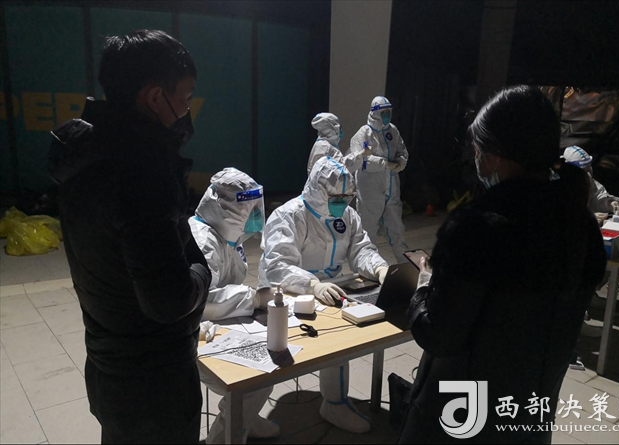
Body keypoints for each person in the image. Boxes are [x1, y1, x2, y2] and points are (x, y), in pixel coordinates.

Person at [399, 86, 606, 444]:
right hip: (528, 416)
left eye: (477, 150)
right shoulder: (580, 224)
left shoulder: (479, 228)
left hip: (461, 418)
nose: (475, 159)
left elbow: (439, 335)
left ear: (495, 157)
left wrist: (424, 286)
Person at [48, 30, 210, 444]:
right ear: (155, 97)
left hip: (108, 365)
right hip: (155, 382)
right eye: (185, 98)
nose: (186, 111)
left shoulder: (83, 155)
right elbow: (169, 300)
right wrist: (201, 270)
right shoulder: (142, 173)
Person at [258, 156, 390, 433]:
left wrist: (379, 269)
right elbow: (278, 265)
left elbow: (360, 249)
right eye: (335, 197)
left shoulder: (347, 216)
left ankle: (335, 402)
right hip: (290, 292)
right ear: (318, 191)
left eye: (347, 196)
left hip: (330, 289)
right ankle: (246, 414)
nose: (342, 202)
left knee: (340, 342)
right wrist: (312, 285)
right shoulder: (289, 215)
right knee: (272, 355)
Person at [189, 169, 278, 444]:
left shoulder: (226, 237)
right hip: (196, 336)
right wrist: (253, 299)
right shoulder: (202, 241)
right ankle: (225, 434)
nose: (255, 217)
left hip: (225, 324)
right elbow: (202, 301)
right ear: (228, 209)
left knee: (270, 366)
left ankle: (244, 418)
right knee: (252, 383)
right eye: (249, 210)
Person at [350, 96, 409, 262]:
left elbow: (402, 151)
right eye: (384, 112)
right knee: (367, 232)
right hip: (370, 192)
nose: (387, 115)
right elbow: (361, 161)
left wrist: (400, 164)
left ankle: (405, 264)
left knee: (397, 229)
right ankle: (367, 267)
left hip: (392, 189)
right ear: (375, 113)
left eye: (389, 111)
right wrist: (385, 164)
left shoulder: (393, 131)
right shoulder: (364, 133)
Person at [562, 145, 619, 214]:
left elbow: (597, 198)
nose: (588, 174)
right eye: (584, 170)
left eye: (588, 168)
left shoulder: (588, 181)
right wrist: (590, 216)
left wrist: (609, 203)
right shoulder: (559, 187)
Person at [307, 112, 371, 175]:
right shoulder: (324, 147)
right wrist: (360, 155)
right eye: (339, 128)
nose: (341, 131)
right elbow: (340, 167)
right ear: (333, 128)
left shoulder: (324, 144)